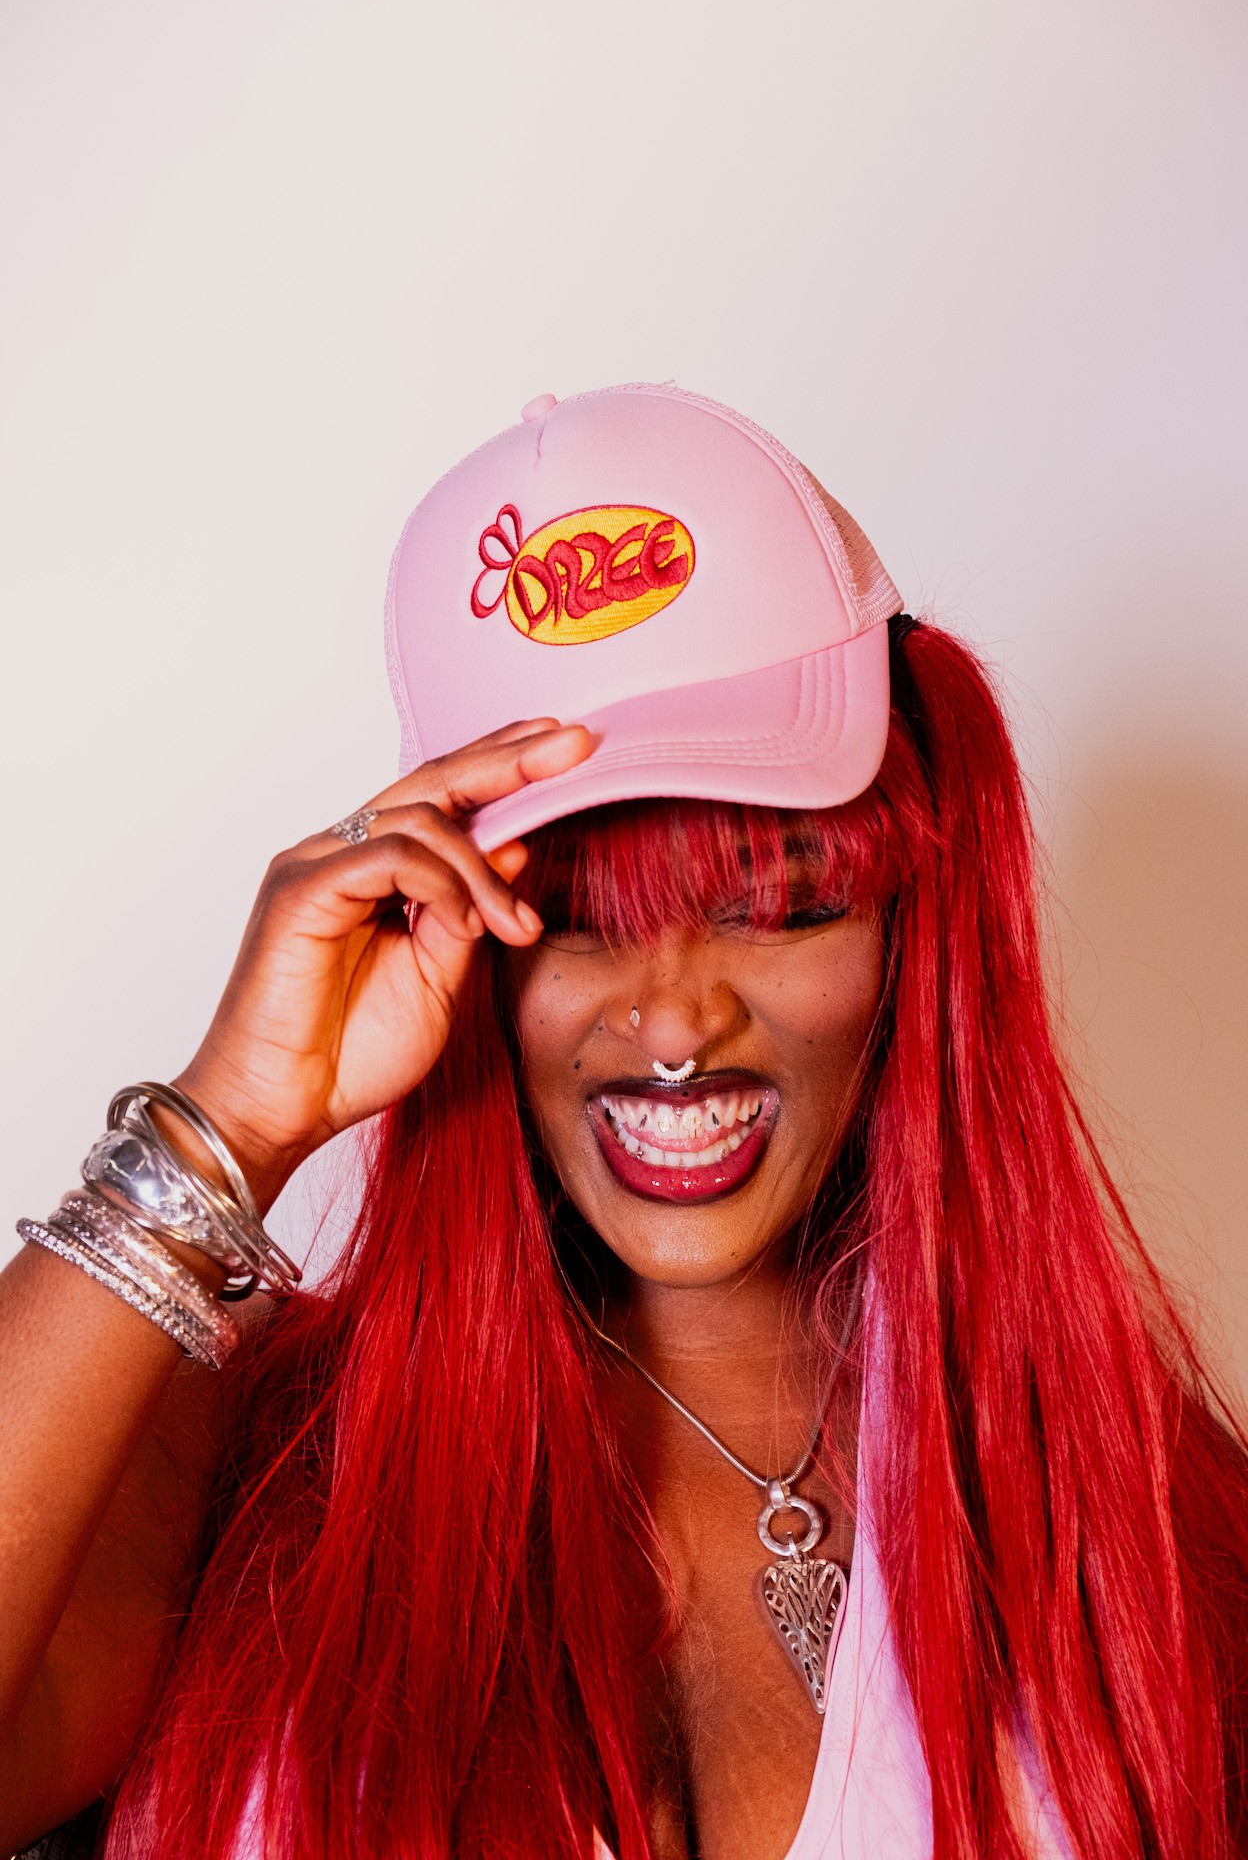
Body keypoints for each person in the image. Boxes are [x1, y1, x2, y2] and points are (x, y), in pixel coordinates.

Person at [1, 384, 1245, 1860]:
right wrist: (228, 1125)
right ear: (450, 938)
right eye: (573, 917)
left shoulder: (1124, 1508)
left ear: (908, 925)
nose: (673, 1022)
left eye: (777, 907)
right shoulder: (226, 1456)